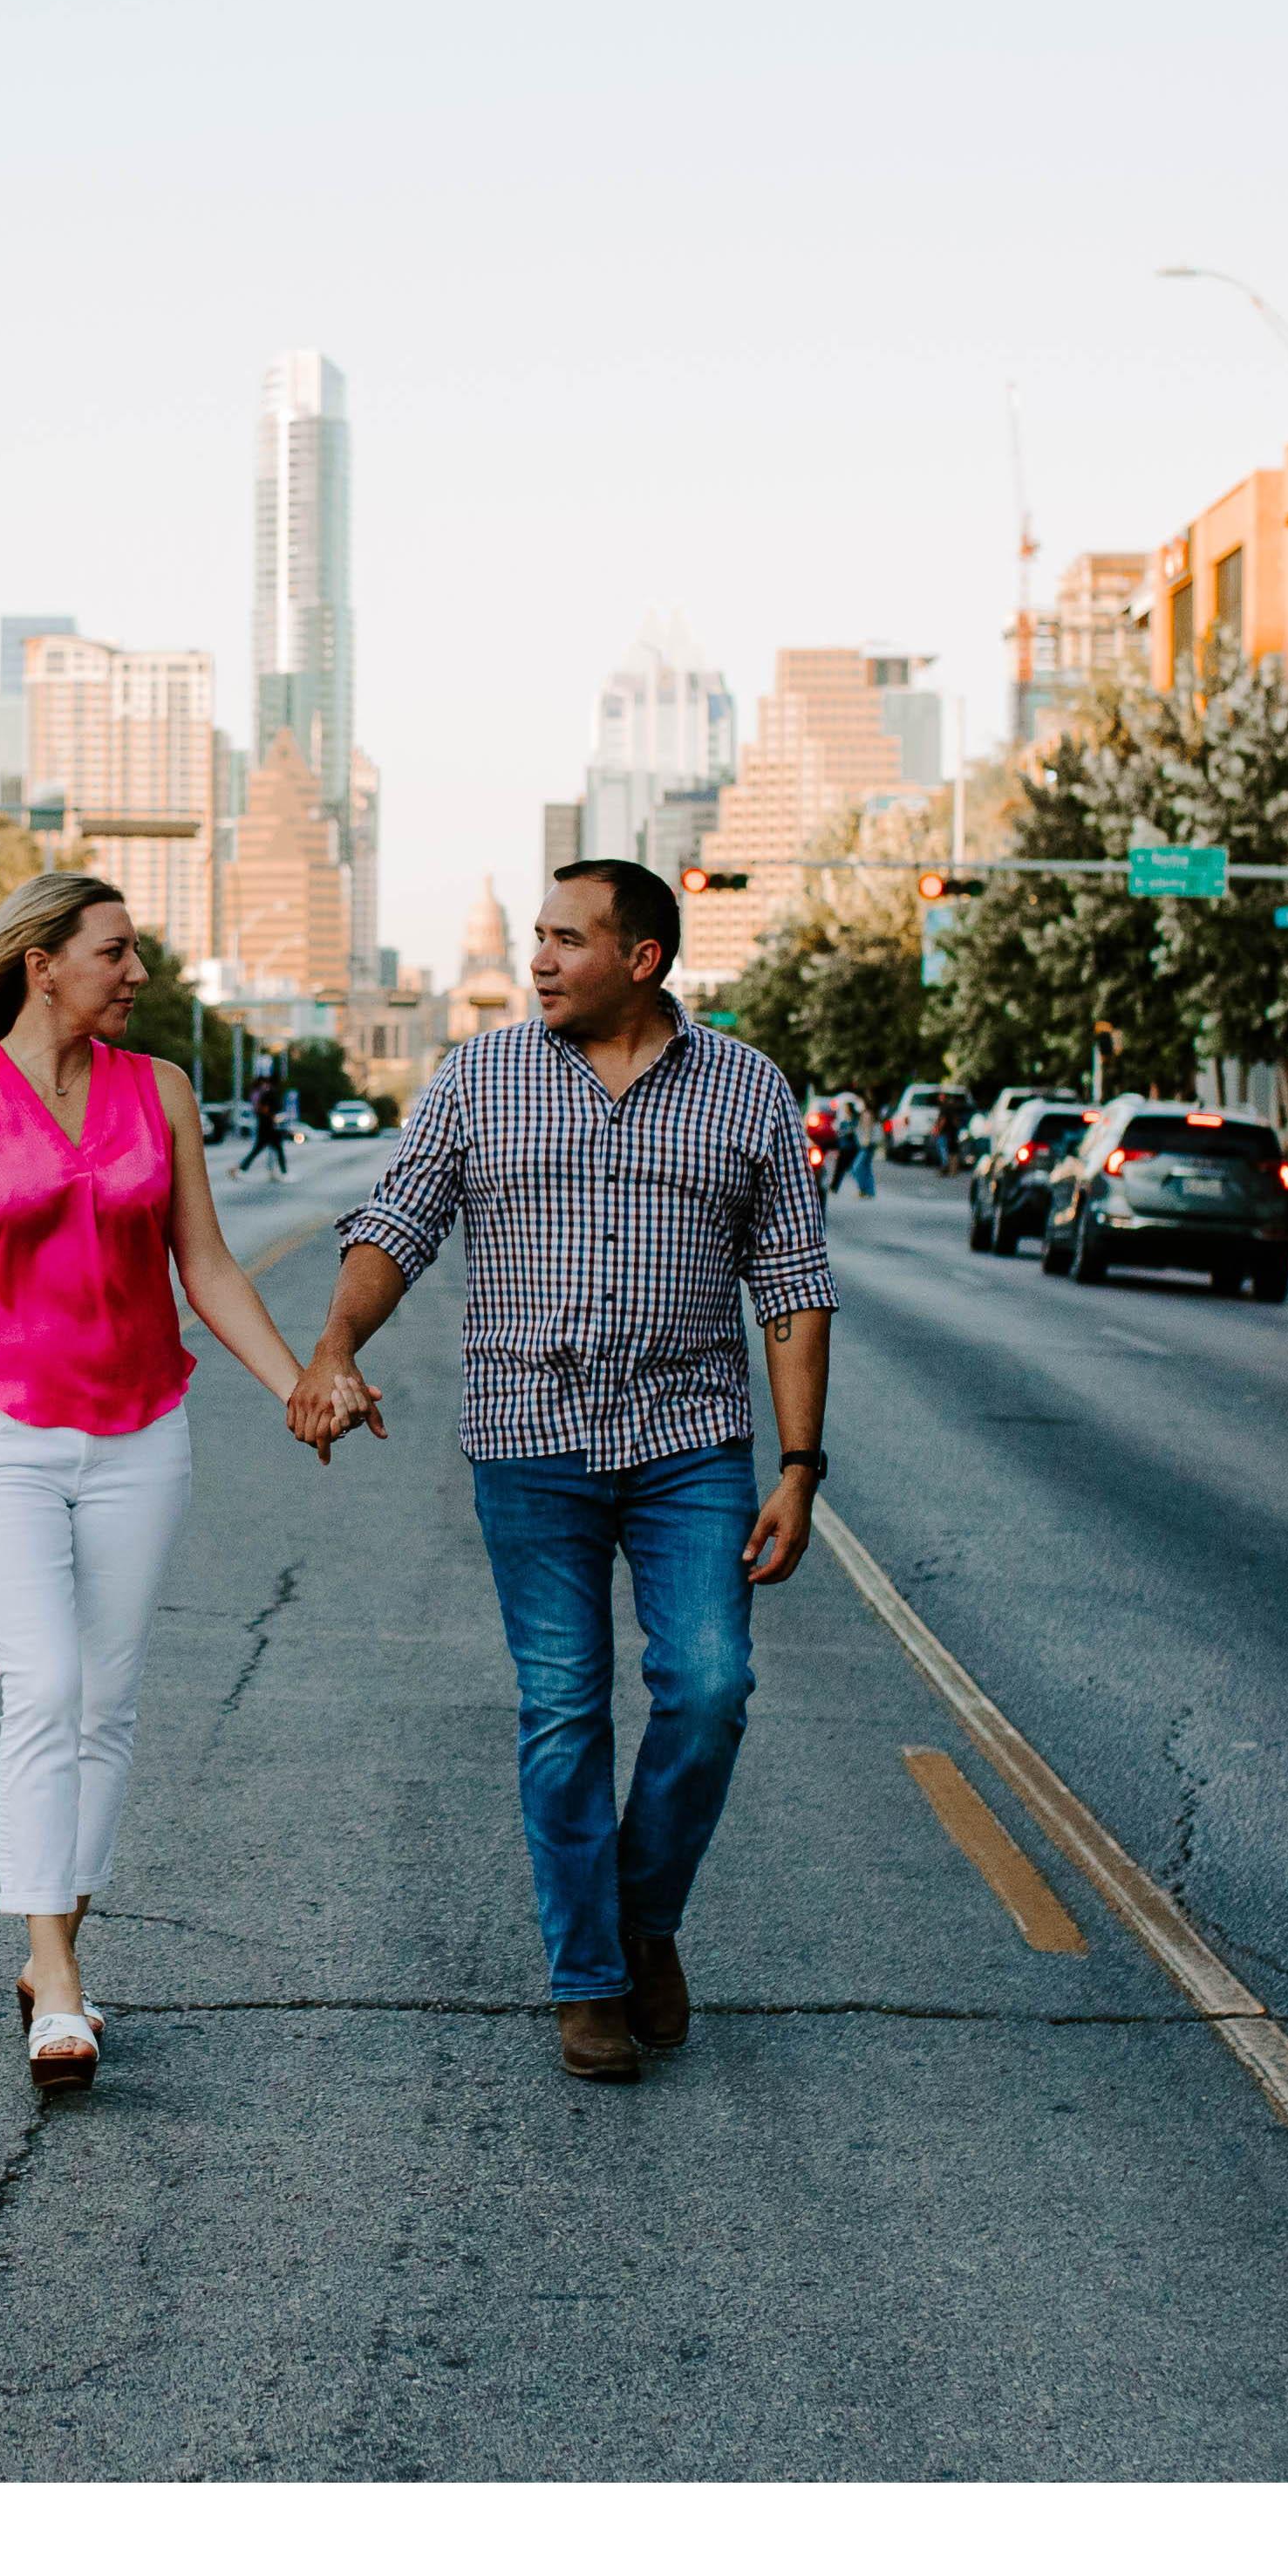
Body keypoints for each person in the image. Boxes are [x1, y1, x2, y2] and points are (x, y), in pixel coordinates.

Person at [289, 858, 832, 2086]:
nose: (537, 959)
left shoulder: (746, 1087)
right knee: (565, 1709)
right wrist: (334, 1347)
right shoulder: (478, 1076)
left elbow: (793, 1287)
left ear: (642, 959)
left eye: (566, 939)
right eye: (533, 935)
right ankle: (588, 1977)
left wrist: (798, 1466)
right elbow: (397, 1222)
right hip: (528, 1439)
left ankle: (641, 1919)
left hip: (690, 1441)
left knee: (709, 1688)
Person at [0, 871, 337, 2096]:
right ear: (42, 964)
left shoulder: (160, 1091)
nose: (137, 973)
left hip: (140, 1428)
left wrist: (293, 1385)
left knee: (105, 1701)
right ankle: (55, 1981)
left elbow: (206, 1265)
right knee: (44, 1682)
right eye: (116, 951)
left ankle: (53, 1947)